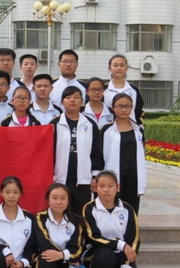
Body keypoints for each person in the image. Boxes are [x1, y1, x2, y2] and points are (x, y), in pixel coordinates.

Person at [83, 170, 141, 268]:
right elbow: (93, 237)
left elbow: (133, 239)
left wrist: (127, 266)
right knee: (105, 255)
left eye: (110, 186)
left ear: (118, 187)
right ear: (95, 188)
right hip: (96, 253)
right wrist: (120, 245)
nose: (106, 190)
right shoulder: (89, 208)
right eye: (101, 186)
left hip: (121, 255)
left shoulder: (127, 209)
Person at [51, 86, 104, 215]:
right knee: (60, 213)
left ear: (82, 101)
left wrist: (94, 176)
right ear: (62, 102)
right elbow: (49, 153)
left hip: (83, 179)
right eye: (68, 97)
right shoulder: (54, 124)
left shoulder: (90, 124)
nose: (72, 100)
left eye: (76, 97)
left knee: (81, 215)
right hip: (60, 178)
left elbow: (96, 152)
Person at [32, 183, 84, 268]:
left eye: (63, 198)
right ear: (47, 200)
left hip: (65, 260)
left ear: (68, 200)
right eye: (54, 198)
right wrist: (66, 255)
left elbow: (77, 248)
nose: (59, 202)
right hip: (48, 258)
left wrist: (61, 255)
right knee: (45, 257)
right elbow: (43, 242)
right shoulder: (40, 217)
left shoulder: (76, 221)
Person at [101, 93, 146, 214]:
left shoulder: (138, 130)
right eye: (119, 106)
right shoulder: (107, 130)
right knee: (112, 210)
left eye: (127, 106)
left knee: (131, 211)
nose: (123, 109)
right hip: (114, 176)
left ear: (131, 107)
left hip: (133, 177)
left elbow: (141, 153)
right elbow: (100, 155)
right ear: (113, 108)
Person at [104, 54, 144, 126]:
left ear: (126, 68)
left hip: (130, 128)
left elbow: (138, 112)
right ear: (109, 68)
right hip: (109, 129)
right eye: (115, 65)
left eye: (122, 65)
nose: (119, 68)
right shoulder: (103, 90)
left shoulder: (134, 90)